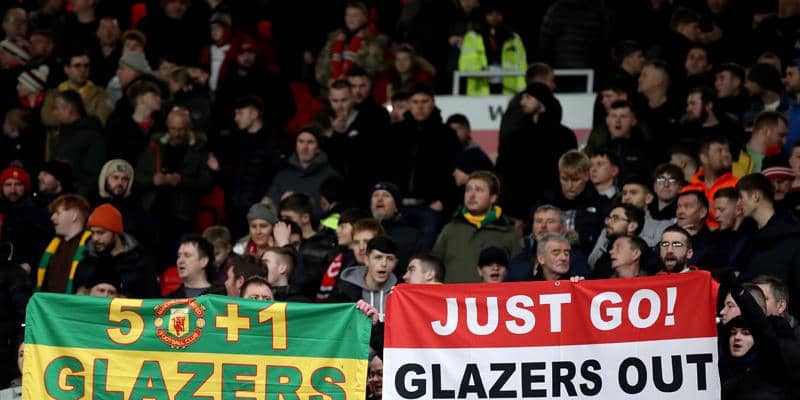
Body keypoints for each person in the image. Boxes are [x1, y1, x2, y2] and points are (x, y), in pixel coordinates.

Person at [496, 82, 577, 219]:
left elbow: (570, 170)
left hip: (556, 206)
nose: (522, 102)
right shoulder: (516, 137)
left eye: (528, 97)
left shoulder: (564, 136)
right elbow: (506, 173)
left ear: (541, 100)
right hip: (520, 210)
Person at [432, 171, 520, 283]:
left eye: (479, 190)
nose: (471, 195)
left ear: (493, 198)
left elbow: (518, 275)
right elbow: (434, 268)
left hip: (492, 294)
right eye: (468, 190)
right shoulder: (450, 230)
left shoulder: (509, 233)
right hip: (455, 294)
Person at [737, 173, 800, 317]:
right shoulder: (747, 237)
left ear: (756, 196)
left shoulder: (792, 236)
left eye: (741, 197)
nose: (738, 204)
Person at [78, 204, 159, 298]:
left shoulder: (140, 263)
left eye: (100, 232)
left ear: (115, 232)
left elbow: (153, 301)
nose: (95, 238)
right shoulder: (87, 261)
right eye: (92, 233)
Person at [267, 126, 340, 213]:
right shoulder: (282, 176)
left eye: (310, 142)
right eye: (301, 142)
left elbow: (336, 211)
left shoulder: (330, 176)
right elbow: (269, 206)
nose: (304, 147)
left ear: (318, 148)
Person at [457, 3, 526, 95]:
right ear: (484, 15)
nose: (494, 16)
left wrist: (522, 91)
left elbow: (522, 65)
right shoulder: (472, 37)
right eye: (490, 13)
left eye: (498, 13)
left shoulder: (514, 38)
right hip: (480, 91)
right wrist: (483, 71)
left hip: (509, 91)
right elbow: (465, 65)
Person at [329, 236, 399, 323]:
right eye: (378, 257)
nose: (384, 264)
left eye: (390, 259)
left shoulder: (401, 294)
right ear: (366, 259)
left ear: (396, 263)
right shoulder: (344, 291)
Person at [49, 90, 105, 198]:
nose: (54, 113)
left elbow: (93, 174)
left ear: (70, 110)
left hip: (79, 198)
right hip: (60, 197)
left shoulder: (92, 135)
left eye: (57, 108)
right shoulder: (63, 133)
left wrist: (77, 198)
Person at [314, 1, 383, 87]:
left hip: (357, 90)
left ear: (365, 18)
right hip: (331, 88)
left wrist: (349, 82)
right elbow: (321, 65)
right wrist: (328, 81)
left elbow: (373, 70)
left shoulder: (372, 41)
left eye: (355, 15)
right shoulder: (334, 38)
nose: (350, 18)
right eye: (348, 14)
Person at [35, 194, 91, 294]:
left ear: (74, 216)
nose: (52, 218)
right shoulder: (52, 245)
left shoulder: (90, 246)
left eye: (58, 213)